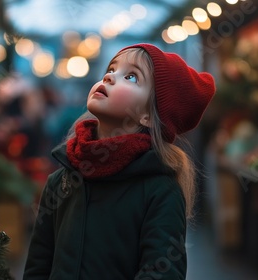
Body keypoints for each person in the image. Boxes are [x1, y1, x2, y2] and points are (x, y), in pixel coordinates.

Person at [23, 43, 215, 280]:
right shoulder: (60, 180)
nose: (110, 77)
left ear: (148, 116)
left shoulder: (160, 191)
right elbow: (38, 266)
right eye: (112, 68)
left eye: (131, 76)